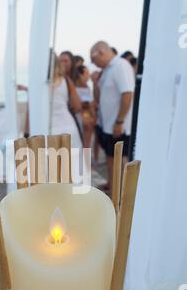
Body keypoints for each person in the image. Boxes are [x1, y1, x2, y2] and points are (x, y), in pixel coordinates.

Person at [90, 41, 135, 193]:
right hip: (107, 124)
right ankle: (112, 185)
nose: (92, 63)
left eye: (93, 58)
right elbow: (99, 97)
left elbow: (127, 94)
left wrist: (119, 121)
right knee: (110, 158)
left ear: (101, 52)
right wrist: (95, 83)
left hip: (118, 124)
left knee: (117, 160)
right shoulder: (107, 70)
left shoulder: (120, 66)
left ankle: (119, 194)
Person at [51, 56, 82, 151]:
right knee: (73, 163)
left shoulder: (35, 83)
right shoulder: (66, 80)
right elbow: (77, 106)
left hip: (44, 129)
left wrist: (26, 134)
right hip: (67, 127)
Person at [74, 65, 97, 148]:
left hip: (87, 117)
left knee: (87, 144)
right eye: (86, 73)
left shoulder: (87, 88)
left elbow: (91, 104)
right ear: (79, 75)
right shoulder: (73, 88)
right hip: (79, 117)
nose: (88, 76)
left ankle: (85, 160)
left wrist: (93, 116)